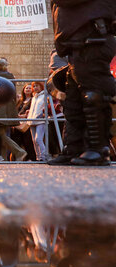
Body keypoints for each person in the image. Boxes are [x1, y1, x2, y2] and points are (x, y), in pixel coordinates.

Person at [48, 0, 116, 166]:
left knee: (93, 95)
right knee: (73, 101)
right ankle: (74, 148)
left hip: (92, 39)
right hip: (78, 41)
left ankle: (97, 148)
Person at [26, 82, 48, 161]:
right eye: (34, 86)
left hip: (40, 120)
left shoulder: (45, 96)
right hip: (32, 120)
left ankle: (43, 156)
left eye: (37, 86)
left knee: (38, 139)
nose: (35, 88)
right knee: (34, 141)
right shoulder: (34, 97)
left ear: (41, 86)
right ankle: (38, 157)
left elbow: (47, 106)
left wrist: (44, 113)